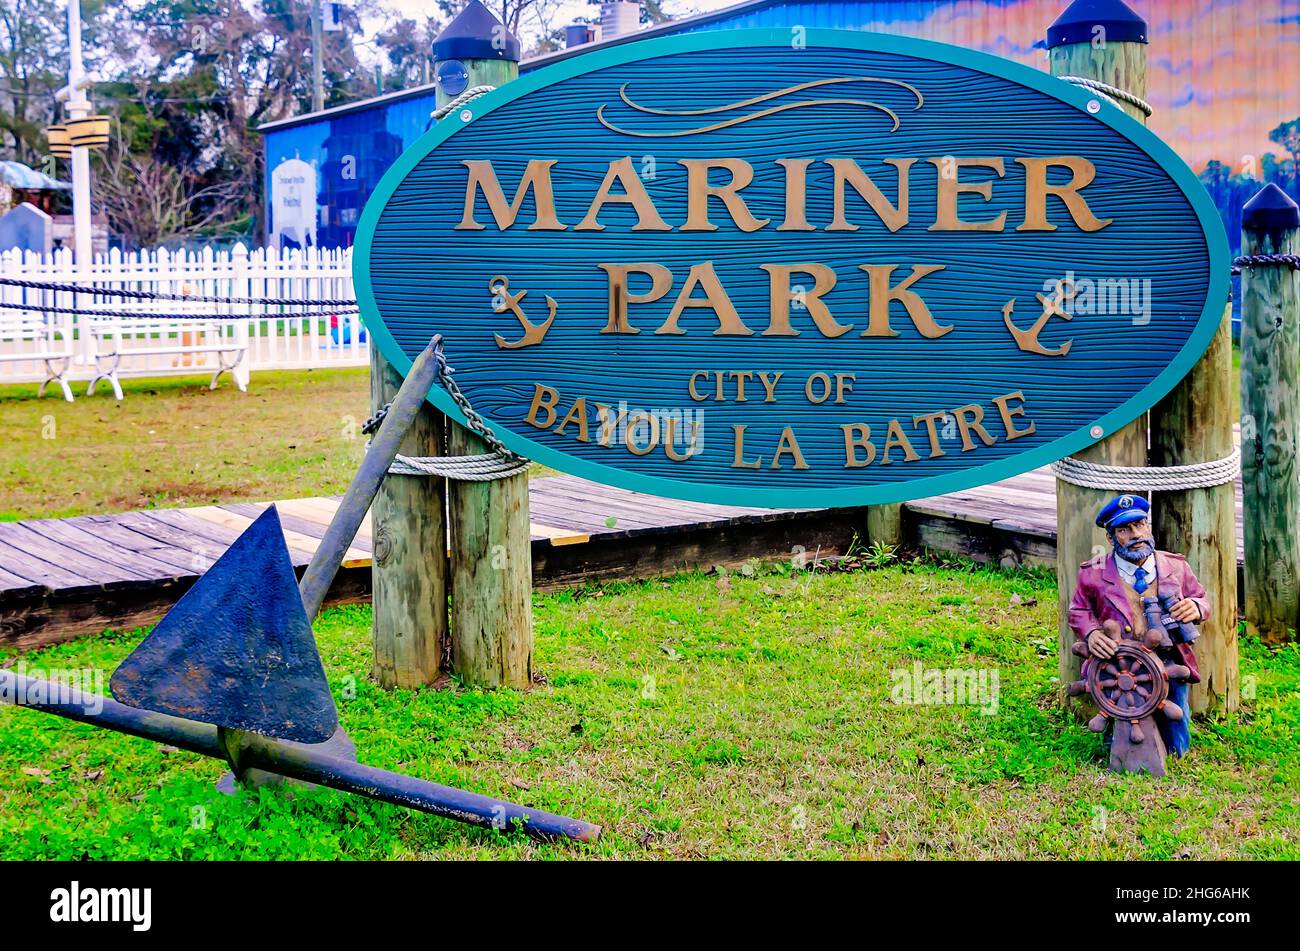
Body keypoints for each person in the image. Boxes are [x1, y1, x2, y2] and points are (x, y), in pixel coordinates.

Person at [1068, 494, 1208, 756]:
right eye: (1124, 529)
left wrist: (1197, 607)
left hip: (1169, 658)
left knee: (1177, 704)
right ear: (1110, 538)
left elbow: (1201, 598)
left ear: (1149, 527)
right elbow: (1078, 610)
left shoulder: (1176, 566)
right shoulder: (1093, 573)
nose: (1135, 534)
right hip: (1117, 661)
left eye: (1140, 525)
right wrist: (1092, 632)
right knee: (1116, 705)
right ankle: (1116, 748)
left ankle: (1178, 749)